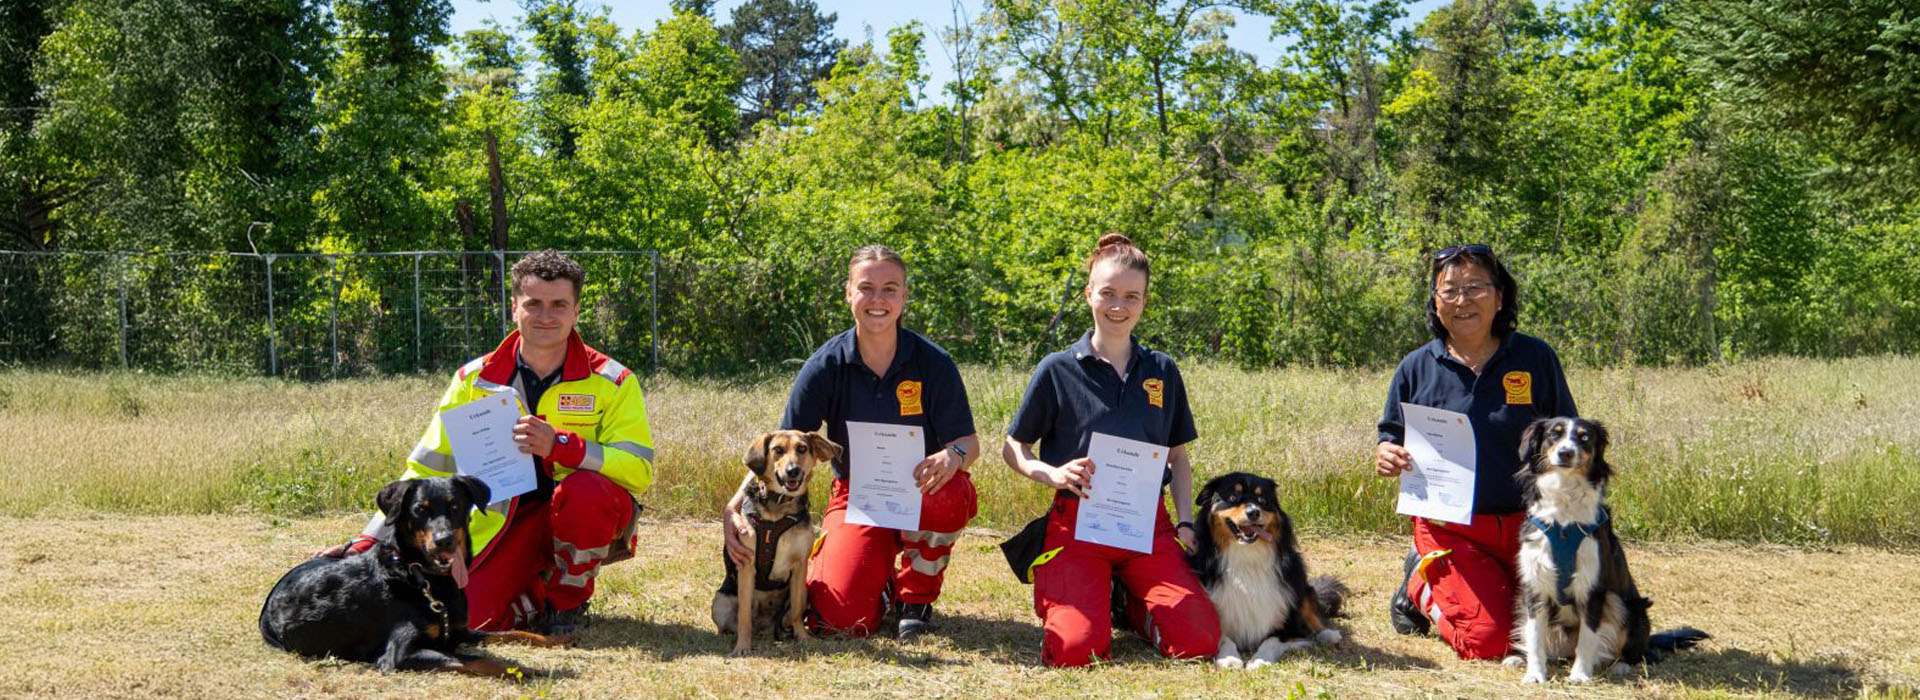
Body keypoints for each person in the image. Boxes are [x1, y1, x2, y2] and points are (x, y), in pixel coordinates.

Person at [320, 249, 655, 636]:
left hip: (583, 515)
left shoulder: (613, 381)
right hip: (502, 522)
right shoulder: (473, 379)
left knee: (584, 490)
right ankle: (535, 594)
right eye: (534, 304)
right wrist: (367, 539)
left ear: (576, 311)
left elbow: (639, 471)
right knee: (472, 617)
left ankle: (568, 602)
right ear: (514, 307)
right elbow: (427, 471)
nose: (546, 316)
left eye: (559, 304)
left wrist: (564, 446)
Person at [724, 245, 979, 640]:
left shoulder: (934, 363)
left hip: (923, 490)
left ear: (904, 296)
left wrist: (953, 456)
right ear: (848, 293)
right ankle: (878, 585)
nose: (878, 300)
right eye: (866, 288)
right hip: (857, 496)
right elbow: (780, 450)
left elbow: (969, 442)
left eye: (890, 289)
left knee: (951, 495)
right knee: (838, 622)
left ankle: (916, 599)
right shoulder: (826, 365)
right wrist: (735, 504)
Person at [1001, 234, 1221, 668]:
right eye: (1108, 294)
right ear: (1089, 295)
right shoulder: (1058, 368)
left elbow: (1177, 457)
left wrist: (1186, 523)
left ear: (1143, 301)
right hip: (1077, 522)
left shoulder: (1161, 369)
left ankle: (1127, 604)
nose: (1118, 306)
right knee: (1074, 651)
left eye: (1131, 296)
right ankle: (1080, 600)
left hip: (1147, 524)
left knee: (1199, 640)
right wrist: (1051, 473)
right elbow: (1014, 446)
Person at [1375, 244, 1577, 660]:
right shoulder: (1416, 366)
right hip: (1451, 529)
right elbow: (1390, 435)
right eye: (1449, 291)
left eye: (1475, 288)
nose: (1462, 300)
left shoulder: (1535, 357)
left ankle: (1470, 588)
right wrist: (1387, 454)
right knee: (1491, 642)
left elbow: (1567, 436)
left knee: (1560, 637)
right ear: (1435, 301)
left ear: (1500, 296)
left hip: (1531, 527)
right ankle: (1420, 585)